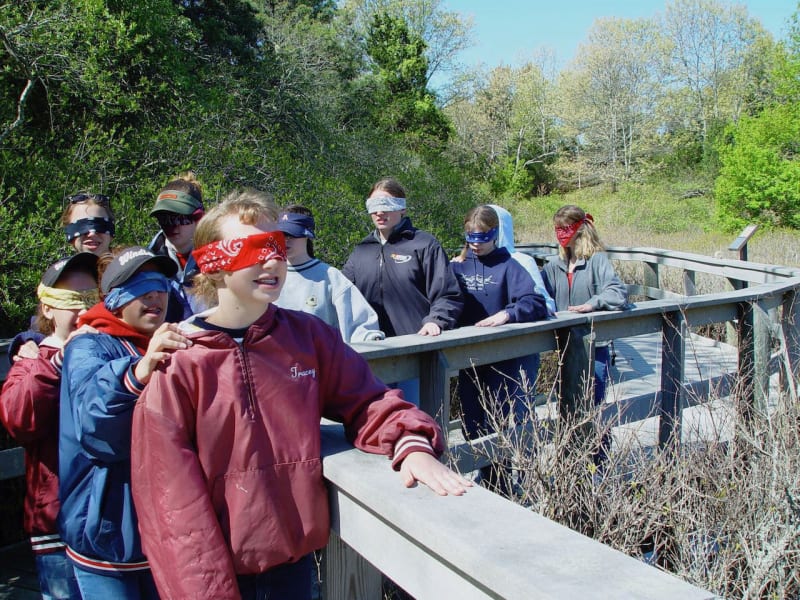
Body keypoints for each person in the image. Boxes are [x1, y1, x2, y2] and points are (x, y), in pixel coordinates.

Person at [130, 191, 471, 600]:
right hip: (217, 575)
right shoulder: (179, 362)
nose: (273, 260)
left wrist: (409, 441)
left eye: (276, 247)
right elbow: (172, 505)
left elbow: (367, 399)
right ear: (213, 266)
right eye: (253, 249)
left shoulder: (308, 337)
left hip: (293, 563)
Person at [58, 247, 192, 599]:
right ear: (114, 299)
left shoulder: (172, 342)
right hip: (107, 540)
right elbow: (96, 426)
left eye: (160, 284)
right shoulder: (88, 347)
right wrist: (138, 372)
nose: (154, 294)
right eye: (138, 286)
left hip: (161, 537)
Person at [0, 253, 100, 600]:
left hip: (107, 519)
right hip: (55, 521)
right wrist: (55, 363)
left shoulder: (113, 351)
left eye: (91, 298)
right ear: (47, 308)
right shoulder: (30, 361)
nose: (82, 309)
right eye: (71, 301)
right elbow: (20, 420)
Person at [450, 205, 548, 493]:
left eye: (483, 239)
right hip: (469, 360)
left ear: (495, 235)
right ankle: (485, 477)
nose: (477, 246)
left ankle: (502, 484)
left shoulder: (511, 266)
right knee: (471, 423)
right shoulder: (457, 266)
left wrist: (507, 314)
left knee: (501, 424)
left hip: (503, 363)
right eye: (471, 239)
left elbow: (535, 302)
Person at [342, 177, 463, 403]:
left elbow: (448, 294)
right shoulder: (361, 251)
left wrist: (436, 320)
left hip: (415, 354)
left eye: (387, 205)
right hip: (373, 355)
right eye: (373, 206)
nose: (379, 212)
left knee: (416, 422)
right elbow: (341, 293)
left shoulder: (424, 244)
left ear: (403, 208)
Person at [541, 205, 628, 466]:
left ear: (581, 228)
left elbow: (618, 293)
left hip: (594, 345)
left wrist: (593, 303)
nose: (561, 234)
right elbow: (539, 294)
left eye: (566, 229)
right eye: (557, 229)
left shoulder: (597, 260)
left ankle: (597, 463)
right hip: (563, 347)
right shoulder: (553, 265)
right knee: (567, 405)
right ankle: (570, 461)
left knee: (593, 405)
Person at [9, 191, 116, 363]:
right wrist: (28, 341)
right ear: (70, 234)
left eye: (100, 225)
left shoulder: (131, 272)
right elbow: (42, 323)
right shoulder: (60, 276)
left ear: (111, 230)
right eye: (82, 227)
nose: (92, 232)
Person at [273, 204, 385, 343]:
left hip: (319, 361)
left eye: (291, 234)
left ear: (308, 234)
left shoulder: (330, 277)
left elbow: (360, 324)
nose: (285, 240)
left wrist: (370, 338)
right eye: (281, 235)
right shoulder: (267, 276)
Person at [147, 172, 206, 321]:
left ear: (199, 217)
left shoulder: (220, 258)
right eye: (164, 219)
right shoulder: (148, 263)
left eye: (181, 218)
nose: (172, 226)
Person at [61, 191, 115, 256]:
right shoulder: (63, 266)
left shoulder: (128, 265)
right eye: (81, 226)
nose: (92, 234)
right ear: (69, 232)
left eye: (100, 226)